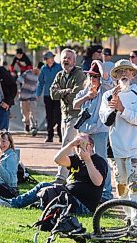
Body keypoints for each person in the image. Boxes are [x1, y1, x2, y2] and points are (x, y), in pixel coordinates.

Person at [0, 134, 107, 214]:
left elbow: (98, 182)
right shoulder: (76, 159)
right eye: (77, 145)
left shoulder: (98, 161)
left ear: (90, 146)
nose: (78, 147)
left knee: (51, 190)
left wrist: (87, 160)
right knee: (43, 185)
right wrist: (71, 144)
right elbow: (58, 159)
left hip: (82, 205)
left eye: (81, 143)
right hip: (68, 195)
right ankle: (12, 203)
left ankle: (28, 203)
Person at [99, 59, 137, 224]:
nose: (123, 74)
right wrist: (114, 108)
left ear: (133, 74)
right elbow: (105, 120)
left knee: (135, 185)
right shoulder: (108, 95)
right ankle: (128, 217)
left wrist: (123, 109)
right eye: (120, 72)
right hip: (115, 148)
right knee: (121, 186)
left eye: (127, 71)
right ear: (115, 75)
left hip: (135, 147)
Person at [73, 60, 114, 201]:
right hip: (84, 133)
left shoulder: (105, 90)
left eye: (95, 76)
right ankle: (86, 188)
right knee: (83, 160)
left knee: (101, 161)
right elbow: (75, 105)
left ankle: (106, 193)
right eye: (91, 76)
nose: (93, 79)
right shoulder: (85, 91)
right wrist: (87, 97)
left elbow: (107, 77)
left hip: (100, 132)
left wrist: (98, 62)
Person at [50, 49, 86, 184]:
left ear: (74, 61)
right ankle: (74, 175)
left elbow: (75, 96)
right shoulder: (59, 75)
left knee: (67, 144)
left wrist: (62, 92)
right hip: (64, 115)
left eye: (69, 58)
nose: (66, 60)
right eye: (64, 58)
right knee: (71, 148)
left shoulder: (80, 75)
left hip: (76, 116)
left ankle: (61, 177)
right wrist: (66, 91)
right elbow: (53, 94)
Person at [37, 51, 63, 142]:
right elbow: (40, 82)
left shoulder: (59, 67)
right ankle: (50, 135)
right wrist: (38, 93)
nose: (51, 59)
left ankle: (61, 135)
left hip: (58, 95)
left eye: (52, 57)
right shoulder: (43, 69)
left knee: (58, 116)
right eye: (49, 58)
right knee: (49, 116)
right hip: (47, 95)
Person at [17, 67, 39, 135]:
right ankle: (27, 124)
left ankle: (34, 126)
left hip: (33, 96)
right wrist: (19, 90)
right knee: (25, 112)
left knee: (33, 112)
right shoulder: (27, 73)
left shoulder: (39, 76)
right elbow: (18, 81)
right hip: (24, 95)